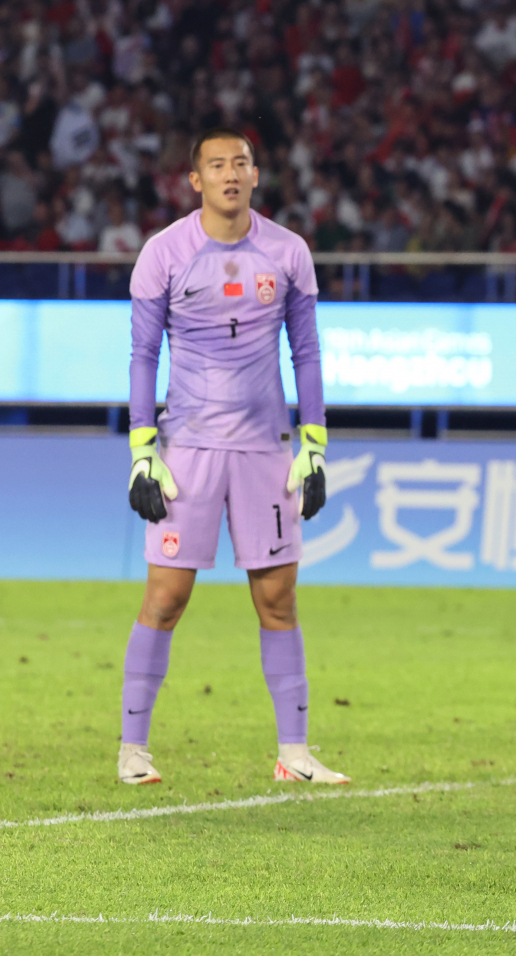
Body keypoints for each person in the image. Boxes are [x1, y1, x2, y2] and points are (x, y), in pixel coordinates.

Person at [119, 127, 349, 787]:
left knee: (278, 598)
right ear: (194, 180)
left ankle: (294, 753)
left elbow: (307, 353)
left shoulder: (288, 251)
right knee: (166, 596)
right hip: (187, 449)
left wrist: (314, 445)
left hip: (263, 451)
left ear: (255, 175)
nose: (229, 174)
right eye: (216, 165)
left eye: (240, 163)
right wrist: (142, 452)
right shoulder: (164, 254)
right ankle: (133, 749)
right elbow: (143, 357)